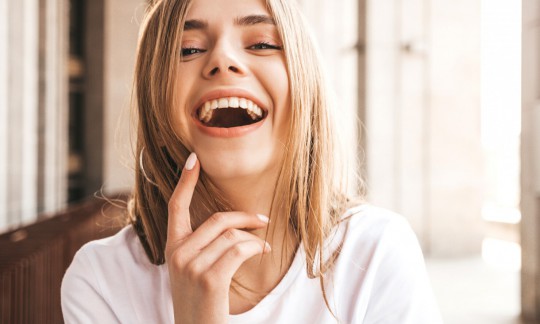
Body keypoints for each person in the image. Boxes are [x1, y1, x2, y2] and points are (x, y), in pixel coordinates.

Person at [61, 0, 443, 322]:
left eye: (261, 43)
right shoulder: (100, 280)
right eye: (189, 49)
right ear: (156, 110)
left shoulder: (377, 251)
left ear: (305, 92)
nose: (222, 60)